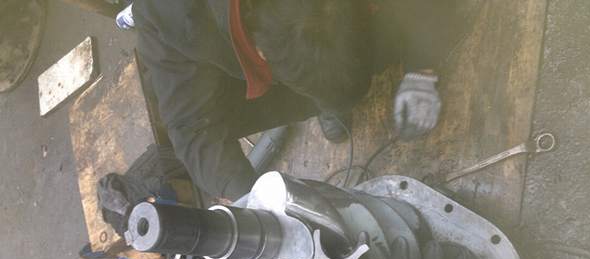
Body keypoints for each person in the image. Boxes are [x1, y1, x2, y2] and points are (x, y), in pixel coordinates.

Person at [133, 0, 465, 200]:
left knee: (398, 33)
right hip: (232, 61)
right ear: (262, 54)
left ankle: (335, 92)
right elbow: (192, 128)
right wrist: (250, 197)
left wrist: (422, 69)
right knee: (212, 122)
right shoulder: (171, 16)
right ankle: (322, 99)